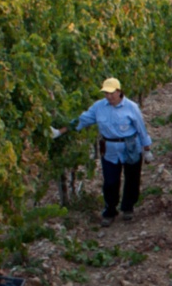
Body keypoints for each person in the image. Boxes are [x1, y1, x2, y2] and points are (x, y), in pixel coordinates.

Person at [62, 77, 152, 227]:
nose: (108, 96)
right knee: (110, 181)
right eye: (106, 93)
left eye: (111, 93)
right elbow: (82, 120)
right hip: (109, 149)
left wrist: (146, 149)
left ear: (119, 91)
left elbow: (141, 129)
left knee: (132, 179)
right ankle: (110, 211)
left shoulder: (131, 107)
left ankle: (128, 207)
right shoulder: (99, 107)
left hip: (130, 147)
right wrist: (61, 131)